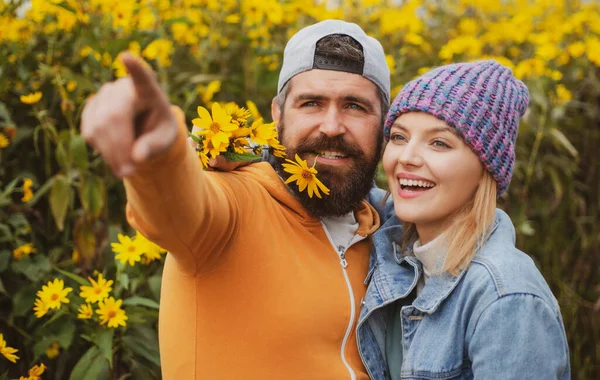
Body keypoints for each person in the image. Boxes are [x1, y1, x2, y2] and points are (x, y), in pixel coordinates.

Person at [81, 20, 392, 379]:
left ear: (384, 124)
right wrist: (160, 157)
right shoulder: (234, 206)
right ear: (277, 115)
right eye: (311, 103)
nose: (332, 126)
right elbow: (179, 207)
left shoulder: (386, 228)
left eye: (355, 106)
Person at [356, 60, 571, 379]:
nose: (406, 158)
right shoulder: (408, 249)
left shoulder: (507, 298)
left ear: (487, 168)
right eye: (399, 137)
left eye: (439, 143)